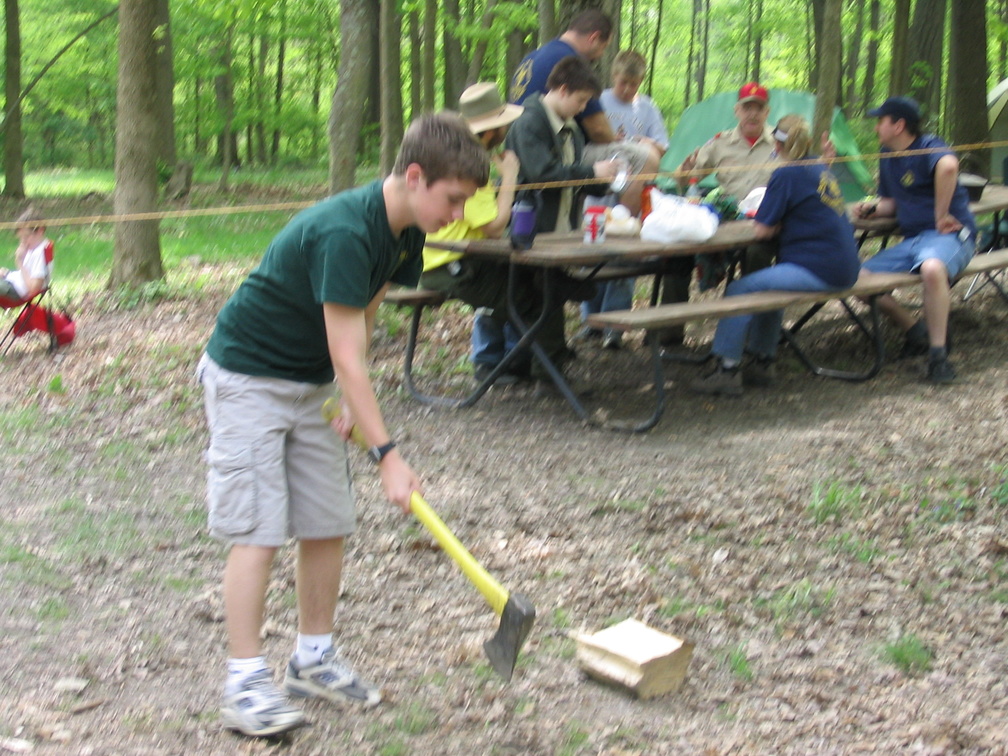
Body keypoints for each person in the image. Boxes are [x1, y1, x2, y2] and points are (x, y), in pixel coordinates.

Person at [197, 113, 488, 739]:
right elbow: (348, 354)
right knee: (259, 527)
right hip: (248, 376)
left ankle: (314, 659)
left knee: (327, 520)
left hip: (310, 384)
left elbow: (367, 308)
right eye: (454, 198)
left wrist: (353, 406)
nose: (459, 212)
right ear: (415, 176)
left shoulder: (407, 230)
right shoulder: (345, 230)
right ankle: (245, 681)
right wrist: (387, 452)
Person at [690, 115, 860, 396]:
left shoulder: (786, 173)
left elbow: (762, 231)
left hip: (819, 268)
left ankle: (727, 370)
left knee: (740, 289)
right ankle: (762, 361)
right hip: (844, 265)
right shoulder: (819, 168)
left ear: (777, 146)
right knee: (769, 288)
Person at [504, 54, 620, 392]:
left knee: (553, 294)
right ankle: (547, 374)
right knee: (544, 296)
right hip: (532, 229)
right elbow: (544, 175)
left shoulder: (571, 129)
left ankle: (547, 365)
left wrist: (606, 180)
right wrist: (590, 173)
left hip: (562, 229)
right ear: (563, 90)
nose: (583, 108)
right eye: (581, 100)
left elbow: (577, 179)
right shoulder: (529, 123)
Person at [853, 96, 975, 384]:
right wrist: (872, 208)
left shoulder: (930, 145)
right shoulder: (887, 154)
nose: (876, 128)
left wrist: (942, 213)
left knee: (932, 269)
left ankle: (938, 357)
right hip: (914, 240)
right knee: (855, 279)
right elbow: (891, 202)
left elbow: (947, 167)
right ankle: (914, 330)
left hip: (950, 235)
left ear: (899, 125)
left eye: (880, 121)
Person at [419, 82, 529, 385]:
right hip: (445, 263)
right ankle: (495, 363)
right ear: (492, 131)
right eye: (503, 124)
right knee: (520, 291)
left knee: (516, 277)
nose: (507, 129)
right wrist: (509, 177)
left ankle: (509, 360)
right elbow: (493, 228)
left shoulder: (460, 155)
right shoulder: (469, 164)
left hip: (456, 257)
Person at [509, 9, 660, 216]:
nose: (600, 56)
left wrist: (601, 178)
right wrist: (617, 146)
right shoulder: (571, 62)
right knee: (646, 157)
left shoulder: (533, 56)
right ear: (594, 38)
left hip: (529, 148)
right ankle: (624, 229)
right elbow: (598, 130)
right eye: (603, 48)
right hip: (547, 151)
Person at [579, 49, 669, 349]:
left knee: (625, 257)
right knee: (595, 256)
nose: (628, 89)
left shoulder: (647, 108)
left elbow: (661, 146)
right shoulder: (599, 102)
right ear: (613, 77)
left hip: (633, 194)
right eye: (623, 83)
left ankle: (614, 327)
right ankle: (590, 320)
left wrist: (649, 143)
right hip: (601, 194)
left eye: (634, 84)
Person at [0, 207, 52, 306]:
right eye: (21, 238)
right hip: (10, 283)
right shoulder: (36, 248)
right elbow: (26, 274)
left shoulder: (39, 253)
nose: (23, 241)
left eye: (26, 236)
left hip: (14, 291)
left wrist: (19, 262)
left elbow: (33, 289)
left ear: (40, 231)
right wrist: (7, 274)